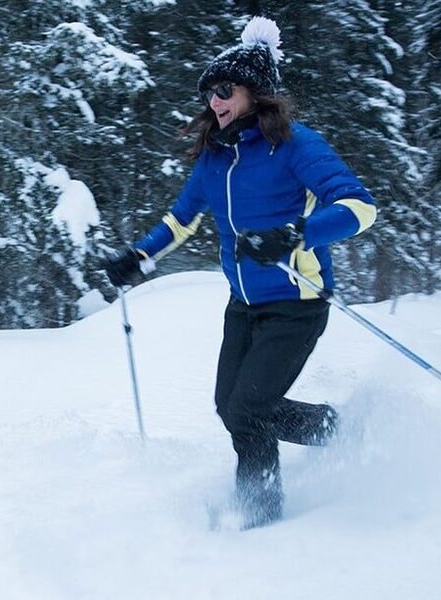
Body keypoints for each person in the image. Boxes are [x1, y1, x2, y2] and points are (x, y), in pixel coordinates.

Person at [103, 17, 377, 529]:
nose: (215, 102)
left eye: (225, 90)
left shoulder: (297, 145)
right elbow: (181, 218)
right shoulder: (215, 158)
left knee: (250, 408)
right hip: (243, 306)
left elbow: (360, 207)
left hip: (297, 303)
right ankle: (337, 429)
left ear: (256, 91)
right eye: (210, 93)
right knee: (230, 407)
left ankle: (260, 512)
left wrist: (296, 234)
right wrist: (139, 257)